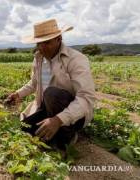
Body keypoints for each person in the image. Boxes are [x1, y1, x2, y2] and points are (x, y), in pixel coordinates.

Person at [6, 19, 95, 150]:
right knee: (24, 130)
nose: (42, 47)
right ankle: (53, 130)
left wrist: (58, 120)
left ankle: (67, 135)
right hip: (47, 108)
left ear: (59, 39)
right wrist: (18, 94)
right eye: (39, 43)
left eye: (47, 42)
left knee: (52, 94)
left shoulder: (76, 59)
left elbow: (86, 98)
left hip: (72, 114)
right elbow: (34, 84)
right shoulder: (39, 58)